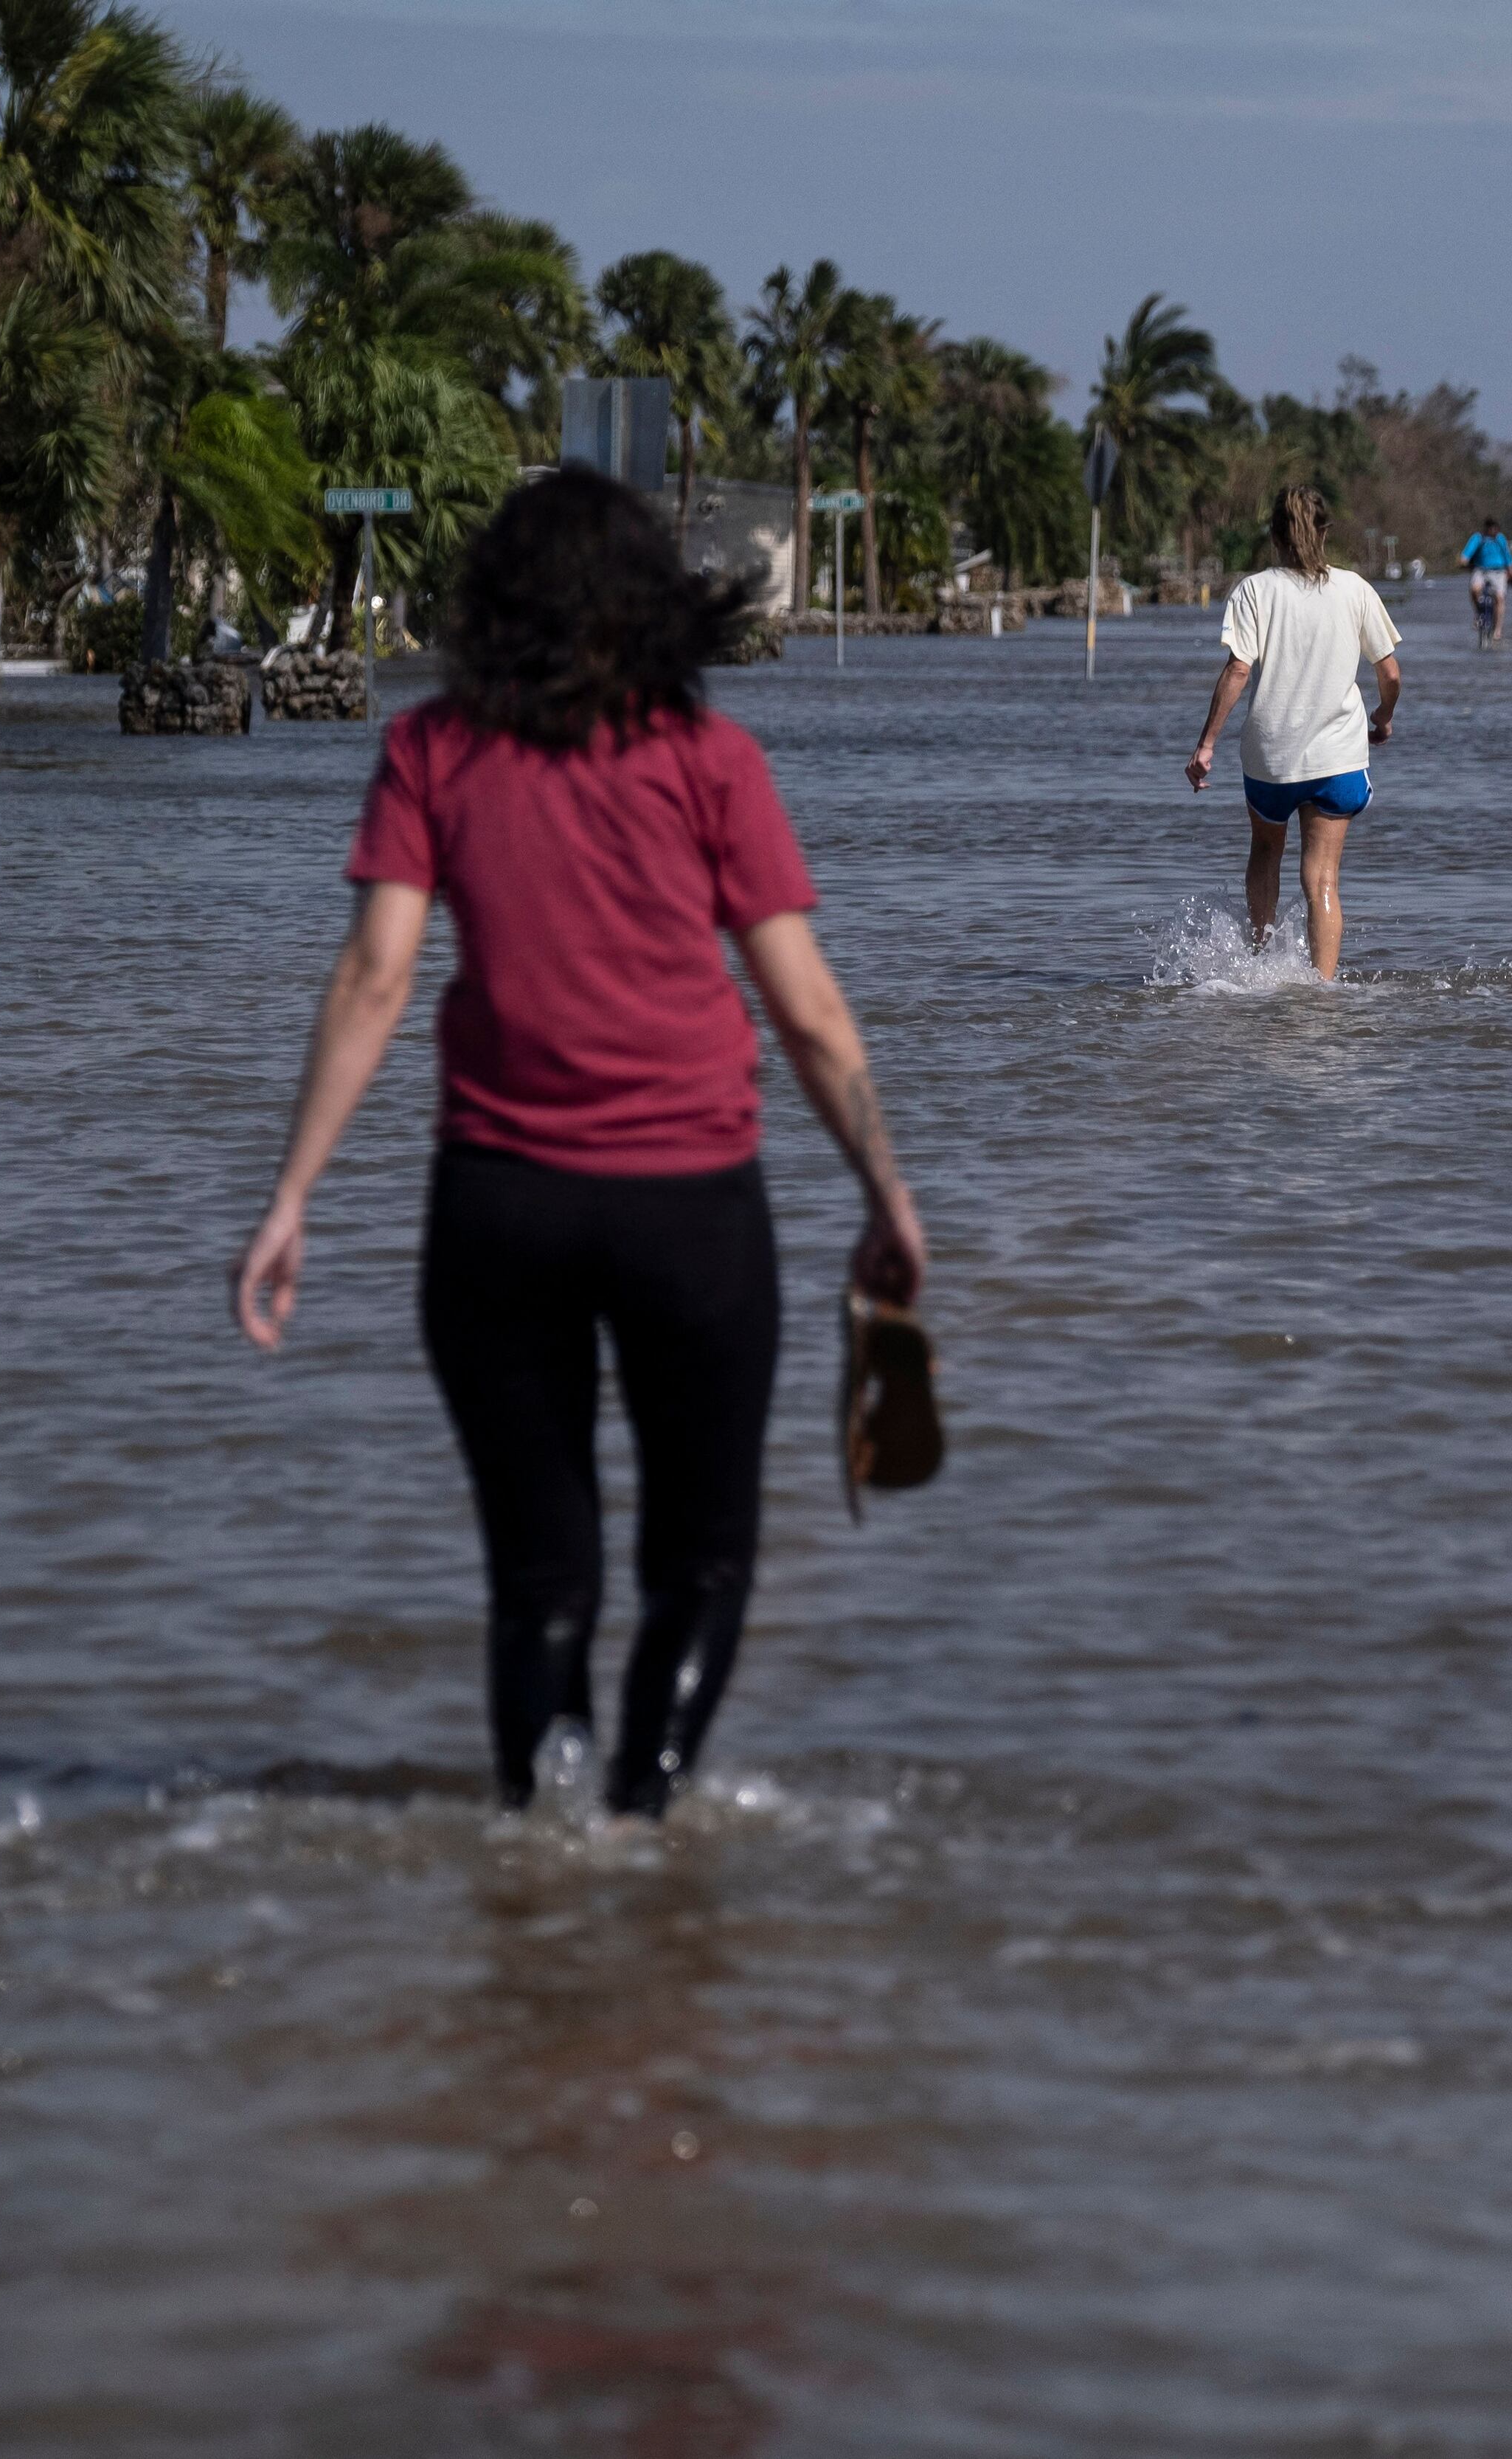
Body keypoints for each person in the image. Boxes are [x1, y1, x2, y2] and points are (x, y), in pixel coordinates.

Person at [229, 468, 926, 1820]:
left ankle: (540, 1849)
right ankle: (638, 1827)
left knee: (542, 1578)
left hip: (497, 1212)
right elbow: (807, 1005)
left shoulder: (433, 748)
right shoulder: (707, 758)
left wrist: (291, 1196)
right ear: (652, 604)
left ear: (496, 603)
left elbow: (374, 978)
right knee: (702, 1565)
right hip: (692, 1212)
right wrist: (887, 1187)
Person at [1182, 484, 1402, 981]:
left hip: (1271, 759)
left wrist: (1206, 744)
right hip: (1339, 759)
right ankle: (1321, 991)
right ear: (1324, 532)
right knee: (1321, 877)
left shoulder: (1255, 591)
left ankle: (1261, 968)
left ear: (1275, 535)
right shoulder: (1355, 590)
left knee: (1266, 852)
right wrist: (1383, 717)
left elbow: (1238, 670)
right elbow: (1390, 673)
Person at [1457, 516, 1511, 647]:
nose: (1493, 531)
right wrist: (1463, 561)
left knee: (1499, 598)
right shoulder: (1478, 538)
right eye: (1491, 529)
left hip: (1499, 571)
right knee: (1475, 589)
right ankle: (1478, 613)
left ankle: (1497, 630)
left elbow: (1508, 556)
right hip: (1481, 570)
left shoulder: (1500, 539)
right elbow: (1466, 554)